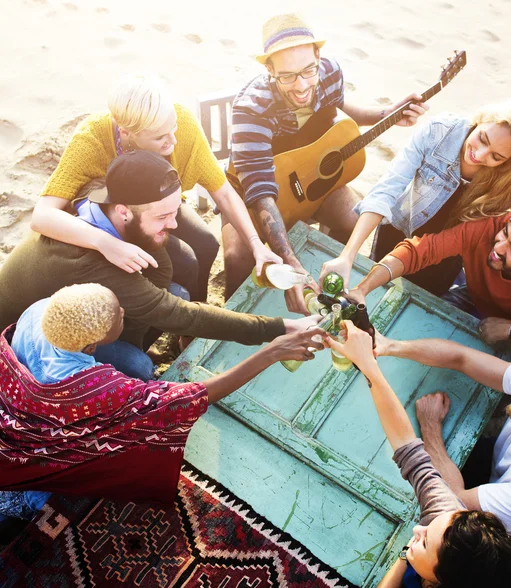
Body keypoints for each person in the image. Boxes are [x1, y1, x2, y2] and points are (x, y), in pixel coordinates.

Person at [0, 283, 324, 520]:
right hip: (36, 442)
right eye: (118, 316)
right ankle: (31, 503)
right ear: (91, 346)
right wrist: (273, 351)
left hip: (16, 401)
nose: (122, 312)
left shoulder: (39, 312)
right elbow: (187, 399)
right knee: (104, 450)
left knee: (140, 363)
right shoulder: (92, 388)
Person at [0, 151, 317, 381]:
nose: (176, 224)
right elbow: (180, 315)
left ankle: (128, 340)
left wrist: (157, 229)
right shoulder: (94, 263)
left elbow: (163, 273)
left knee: (173, 287)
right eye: (163, 216)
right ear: (124, 211)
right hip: (21, 345)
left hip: (68, 308)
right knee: (139, 367)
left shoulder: (103, 196)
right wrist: (283, 327)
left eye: (175, 210)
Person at [226, 13, 428, 312]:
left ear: (318, 55)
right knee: (236, 257)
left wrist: (388, 112)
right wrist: (291, 262)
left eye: (309, 70)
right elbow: (259, 190)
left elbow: (339, 108)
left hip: (309, 183)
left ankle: (325, 278)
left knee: (352, 220)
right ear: (269, 69)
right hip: (251, 193)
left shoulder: (330, 72)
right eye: (287, 76)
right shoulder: (250, 108)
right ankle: (231, 311)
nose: (301, 85)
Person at [30, 72, 281, 302]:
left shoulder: (182, 122)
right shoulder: (91, 139)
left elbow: (223, 191)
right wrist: (104, 242)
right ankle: (167, 309)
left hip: (164, 206)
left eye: (173, 129)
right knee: (185, 261)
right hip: (118, 220)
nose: (173, 141)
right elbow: (42, 216)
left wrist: (256, 244)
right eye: (160, 137)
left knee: (207, 244)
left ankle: (194, 310)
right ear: (126, 132)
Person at [325, 322, 511, 587]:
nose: (416, 529)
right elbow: (406, 445)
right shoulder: (449, 522)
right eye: (427, 530)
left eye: (424, 541)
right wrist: (368, 365)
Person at [371, 330, 511, 568]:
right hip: (507, 472)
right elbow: (462, 357)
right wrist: (390, 346)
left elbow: (452, 502)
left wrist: (430, 427)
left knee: (458, 542)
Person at [321, 99, 511, 296]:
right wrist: (347, 256)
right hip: (399, 233)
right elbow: (387, 189)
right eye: (483, 139)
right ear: (482, 119)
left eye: (496, 156)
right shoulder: (439, 131)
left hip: (447, 257)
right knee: (376, 290)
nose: (478, 155)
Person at [349, 203, 511, 364]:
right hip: (475, 297)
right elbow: (420, 250)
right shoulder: (491, 225)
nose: (497, 248)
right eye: (506, 233)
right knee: (414, 328)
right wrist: (363, 288)